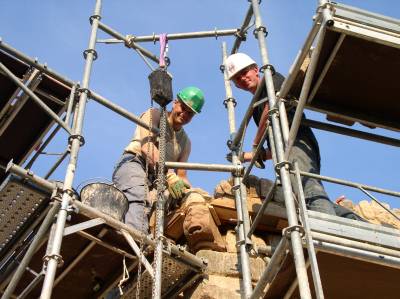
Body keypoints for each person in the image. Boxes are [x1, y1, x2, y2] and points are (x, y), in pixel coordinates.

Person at [225, 53, 363, 220]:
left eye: (244, 72)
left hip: (297, 143)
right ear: (237, 86)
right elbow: (276, 145)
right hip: (285, 150)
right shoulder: (256, 109)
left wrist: (255, 144)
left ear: (255, 70)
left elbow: (272, 108)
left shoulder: (272, 78)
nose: (242, 78)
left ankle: (331, 238)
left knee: (309, 189)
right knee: (303, 198)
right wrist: (249, 156)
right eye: (237, 78)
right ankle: (356, 222)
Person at [112, 86, 205, 233]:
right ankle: (133, 242)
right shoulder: (154, 115)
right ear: (175, 102)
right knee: (139, 197)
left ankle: (149, 243)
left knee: (165, 206)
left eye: (190, 113)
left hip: (157, 178)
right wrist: (169, 175)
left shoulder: (185, 142)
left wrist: (192, 192)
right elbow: (147, 147)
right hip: (135, 163)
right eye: (183, 107)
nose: (184, 114)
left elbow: (182, 176)